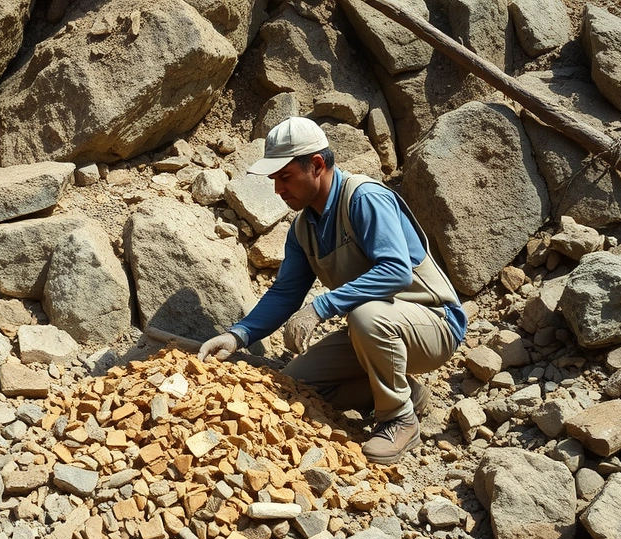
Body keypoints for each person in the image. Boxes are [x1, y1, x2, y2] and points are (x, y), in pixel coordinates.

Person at [198, 117, 467, 464]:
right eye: (274, 180)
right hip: (375, 330)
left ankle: (399, 419)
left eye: (285, 177)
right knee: (294, 384)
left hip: (433, 323)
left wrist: (322, 306)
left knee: (366, 315)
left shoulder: (364, 198)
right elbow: (285, 293)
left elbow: (396, 271)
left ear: (317, 165)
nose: (278, 190)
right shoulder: (303, 228)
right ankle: (406, 393)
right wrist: (239, 335)